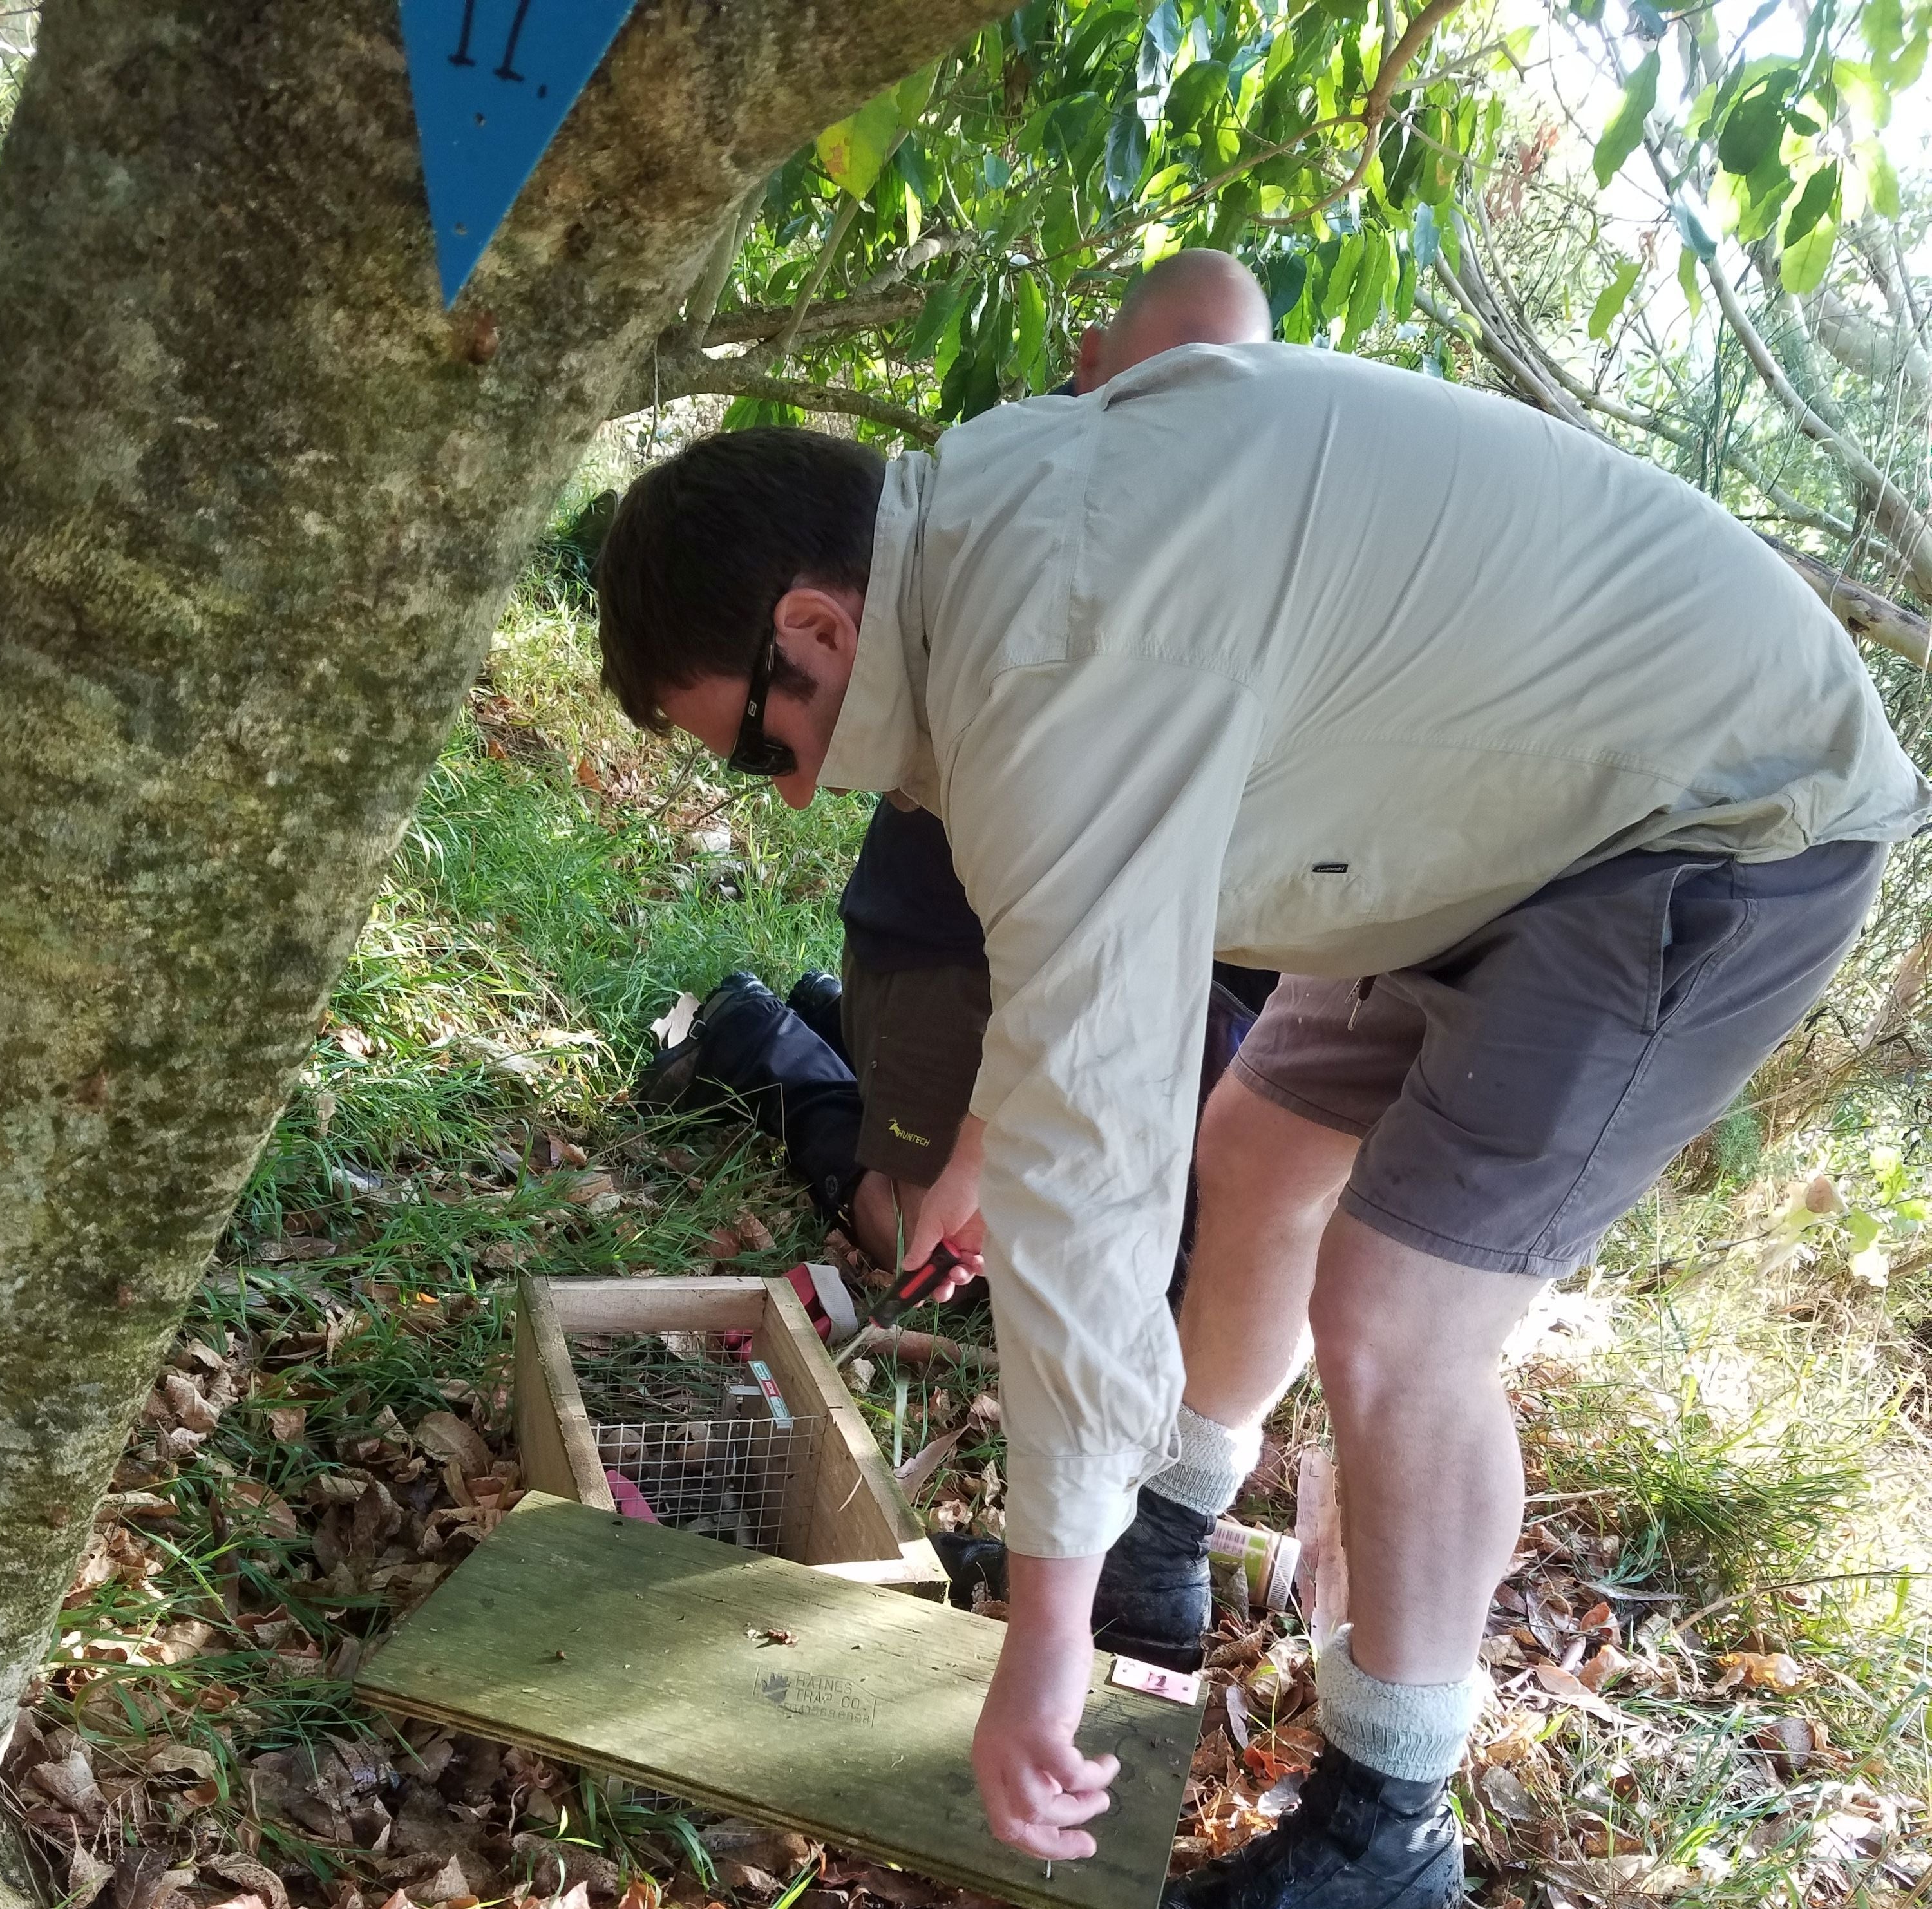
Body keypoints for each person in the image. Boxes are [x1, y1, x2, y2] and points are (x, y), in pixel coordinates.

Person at [590, 342, 1929, 1908]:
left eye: (764, 746)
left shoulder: (1050, 653)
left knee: (1398, 1315)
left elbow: (1093, 1148)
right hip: (1488, 816)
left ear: (815, 629)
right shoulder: (998, 554)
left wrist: (1041, 1636)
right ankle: (1165, 1541)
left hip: (1717, 814)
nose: (798, 791)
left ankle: (1391, 1827)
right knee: (1260, 1144)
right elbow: (1076, 1013)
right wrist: (981, 1178)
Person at [645, 251, 1274, 1279]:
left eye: (1226, 399)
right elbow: (1067, 967)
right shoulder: (1026, 572)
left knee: (1182, 1253)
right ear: (1093, 367)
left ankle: (834, 1025)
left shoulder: (1234, 560)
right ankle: (771, 1053)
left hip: (1128, 952)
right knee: (943, 1244)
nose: (1188, 439)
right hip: (946, 943)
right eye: (1163, 389)